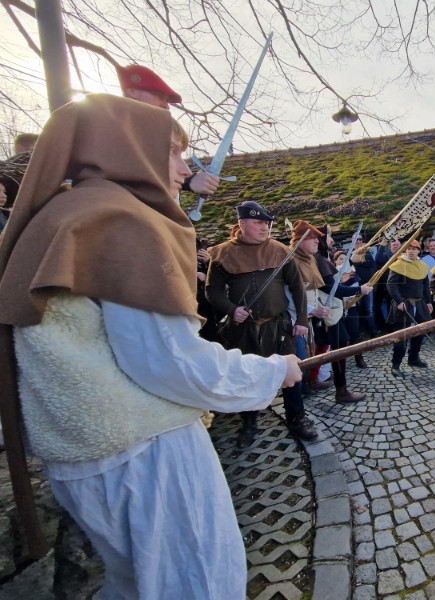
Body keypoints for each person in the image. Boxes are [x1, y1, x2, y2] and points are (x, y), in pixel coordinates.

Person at [0, 94, 302, 598]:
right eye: (175, 153)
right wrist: (272, 373)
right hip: (142, 452)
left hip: (85, 452)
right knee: (200, 583)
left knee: (136, 585)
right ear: (128, 148)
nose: (186, 170)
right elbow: (170, 362)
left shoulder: (63, 215)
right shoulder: (122, 221)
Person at [205, 200, 316, 446]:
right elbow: (212, 291)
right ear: (242, 224)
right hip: (243, 329)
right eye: (258, 223)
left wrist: (301, 320)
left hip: (278, 326)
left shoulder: (279, 250)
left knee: (291, 374)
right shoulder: (223, 253)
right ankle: (249, 421)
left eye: (266, 223)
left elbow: (298, 288)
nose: (264, 227)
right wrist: (232, 310)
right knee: (248, 376)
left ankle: (297, 417)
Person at [290, 221, 370, 402]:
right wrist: (358, 290)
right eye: (327, 235)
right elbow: (328, 287)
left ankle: (317, 382)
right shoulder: (315, 259)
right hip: (315, 314)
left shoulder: (314, 258)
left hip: (322, 311)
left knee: (327, 347)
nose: (330, 239)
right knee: (331, 349)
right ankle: (337, 390)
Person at [116, 63, 220, 197]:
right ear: (133, 91)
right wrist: (188, 182)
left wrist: (187, 182)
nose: (166, 106)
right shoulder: (114, 132)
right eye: (159, 96)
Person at [387, 240, 433, 377]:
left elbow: (425, 286)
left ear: (419, 250)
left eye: (414, 248)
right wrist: (399, 301)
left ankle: (413, 358)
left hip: (419, 304)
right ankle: (395, 365)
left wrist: (429, 302)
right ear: (405, 251)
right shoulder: (398, 265)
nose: (411, 251)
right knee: (402, 336)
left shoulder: (422, 266)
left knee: (421, 331)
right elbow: (391, 285)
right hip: (403, 304)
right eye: (408, 249)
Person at [351, 233, 379, 337]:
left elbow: (370, 264)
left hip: (367, 286)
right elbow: (350, 264)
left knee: (369, 309)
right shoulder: (349, 253)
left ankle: (373, 331)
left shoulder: (367, 253)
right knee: (356, 309)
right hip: (353, 287)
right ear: (352, 241)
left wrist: (358, 260)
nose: (358, 241)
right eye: (356, 239)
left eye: (360, 239)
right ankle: (359, 331)